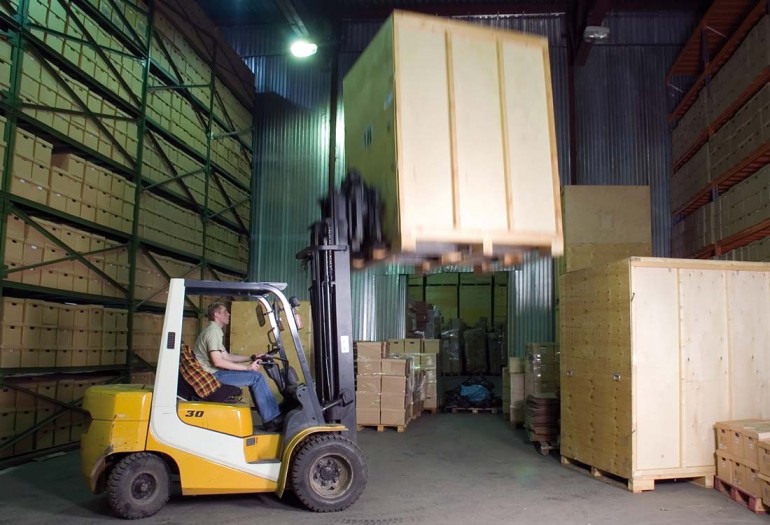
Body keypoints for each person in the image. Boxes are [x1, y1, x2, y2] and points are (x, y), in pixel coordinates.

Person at [192, 302, 283, 431]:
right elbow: (217, 361)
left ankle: (269, 416)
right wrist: (247, 368)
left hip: (212, 373)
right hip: (212, 376)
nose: (228, 314)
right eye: (225, 312)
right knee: (256, 377)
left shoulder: (213, 331)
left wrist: (251, 358)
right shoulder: (213, 333)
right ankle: (272, 420)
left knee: (254, 377)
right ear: (217, 314)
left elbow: (227, 356)